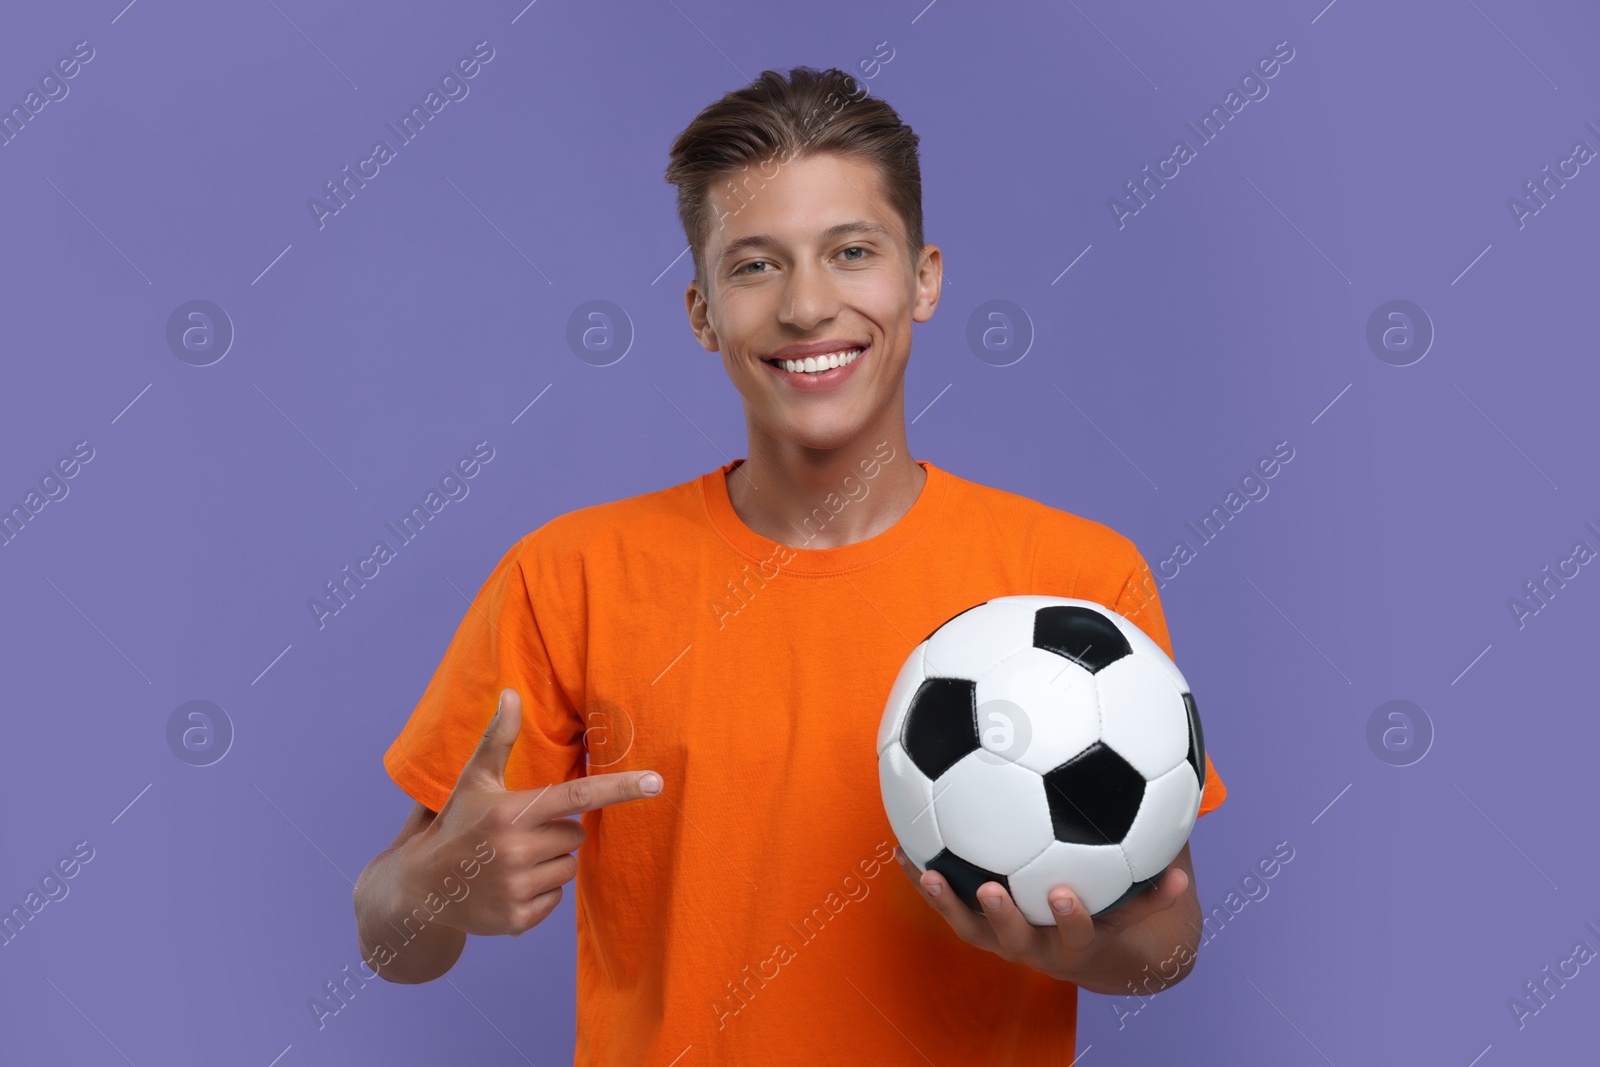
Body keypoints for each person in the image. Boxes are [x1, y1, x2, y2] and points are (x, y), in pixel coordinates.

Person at [353, 64, 1227, 1064]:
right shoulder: (573, 575)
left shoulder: (1073, 576)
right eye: (756, 265)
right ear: (701, 311)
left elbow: (1169, 939)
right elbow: (388, 934)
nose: (808, 305)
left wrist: (1085, 946)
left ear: (924, 278)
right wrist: (430, 889)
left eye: (851, 251)